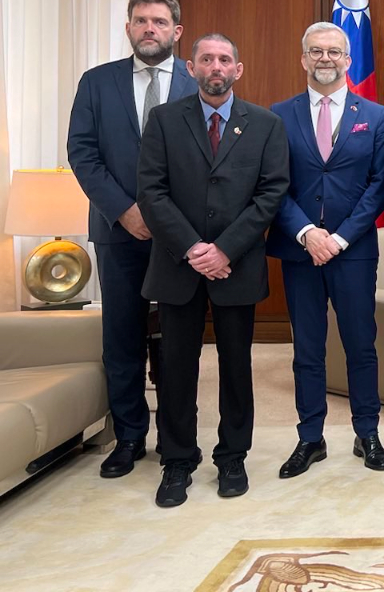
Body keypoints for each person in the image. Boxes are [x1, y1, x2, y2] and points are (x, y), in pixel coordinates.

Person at [137, 33, 289, 508]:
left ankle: (232, 456)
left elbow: (271, 193)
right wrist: (193, 248)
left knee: (237, 365)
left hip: (236, 266)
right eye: (206, 59)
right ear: (192, 67)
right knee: (176, 367)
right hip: (177, 265)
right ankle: (177, 460)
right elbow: (151, 191)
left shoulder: (265, 124)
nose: (216, 67)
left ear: (237, 70)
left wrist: (224, 250)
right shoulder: (164, 120)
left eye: (224, 60)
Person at [68, 0, 197, 478]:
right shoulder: (97, 83)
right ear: (128, 28)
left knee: (178, 339)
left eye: (159, 22)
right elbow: (83, 153)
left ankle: (177, 436)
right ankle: (128, 436)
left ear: (175, 31)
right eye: (141, 20)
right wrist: (124, 211)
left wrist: (170, 221)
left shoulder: (198, 82)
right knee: (122, 336)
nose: (149, 29)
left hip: (181, 235)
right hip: (117, 231)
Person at [267, 22, 384, 478]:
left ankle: (367, 432)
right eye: (316, 51)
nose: (325, 58)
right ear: (303, 58)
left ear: (348, 60)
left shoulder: (375, 115)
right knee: (307, 349)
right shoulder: (278, 115)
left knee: (361, 344)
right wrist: (306, 233)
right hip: (299, 251)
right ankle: (310, 437)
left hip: (353, 251)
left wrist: (338, 237)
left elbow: (380, 185)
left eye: (334, 51)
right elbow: (272, 184)